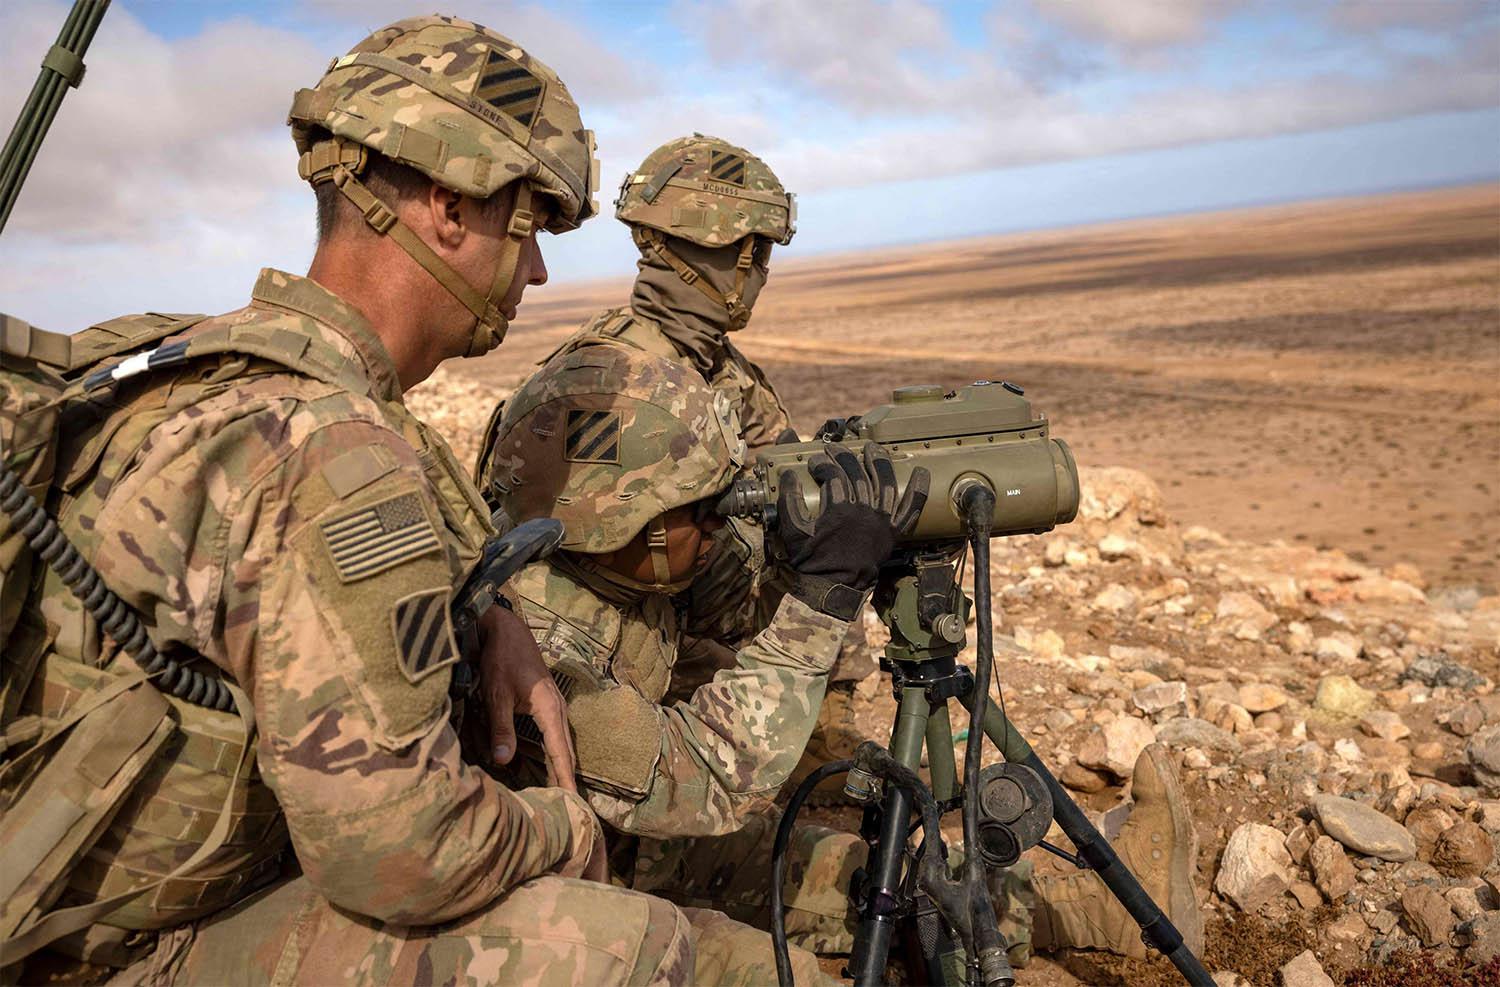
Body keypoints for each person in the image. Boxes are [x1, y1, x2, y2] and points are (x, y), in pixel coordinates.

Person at [1, 17, 699, 985]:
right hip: (95, 953)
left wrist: (485, 609)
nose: (536, 272)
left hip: (54, 893)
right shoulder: (334, 447)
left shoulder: (177, 356)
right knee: (625, 945)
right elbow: (405, 859)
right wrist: (559, 828)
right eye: (527, 230)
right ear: (450, 208)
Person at [482, 345, 1204, 969]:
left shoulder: (616, 564)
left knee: (864, 875)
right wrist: (823, 595)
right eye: (697, 506)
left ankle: (1085, 912)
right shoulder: (537, 639)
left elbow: (737, 608)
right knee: (780, 969)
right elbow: (705, 774)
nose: (717, 517)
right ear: (617, 520)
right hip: (571, 899)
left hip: (639, 843)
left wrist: (816, 543)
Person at [484, 135, 874, 794]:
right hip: (592, 684)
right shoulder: (619, 385)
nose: (763, 272)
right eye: (761, 255)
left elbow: (794, 501)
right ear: (740, 255)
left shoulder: (718, 373)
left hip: (669, 651)